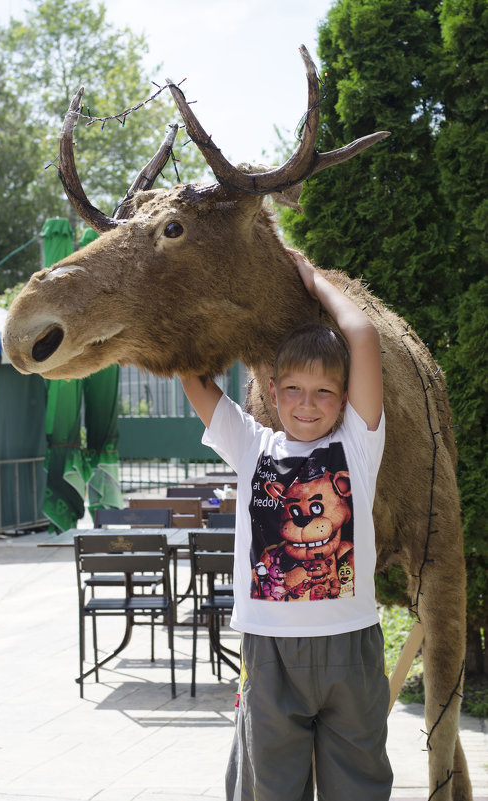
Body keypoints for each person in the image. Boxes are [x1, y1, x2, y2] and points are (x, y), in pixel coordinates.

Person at [179, 249, 392, 801]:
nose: (307, 403)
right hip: (270, 651)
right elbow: (192, 374)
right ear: (272, 393)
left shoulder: (358, 445)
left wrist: (313, 281)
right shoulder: (252, 446)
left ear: (344, 400)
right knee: (269, 788)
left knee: (359, 786)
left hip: (350, 644)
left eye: (324, 391)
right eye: (293, 388)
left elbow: (361, 336)